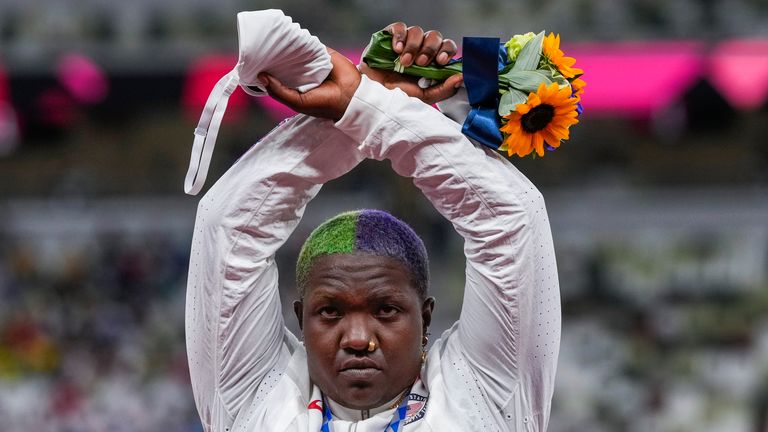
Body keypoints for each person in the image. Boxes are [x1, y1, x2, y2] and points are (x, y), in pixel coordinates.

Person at [185, 23, 561, 431]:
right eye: (329, 312)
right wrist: (368, 104)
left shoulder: (484, 392)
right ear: (300, 319)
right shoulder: (255, 397)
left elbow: (510, 219)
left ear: (426, 319)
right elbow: (230, 228)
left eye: (386, 310)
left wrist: (363, 106)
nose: (359, 338)